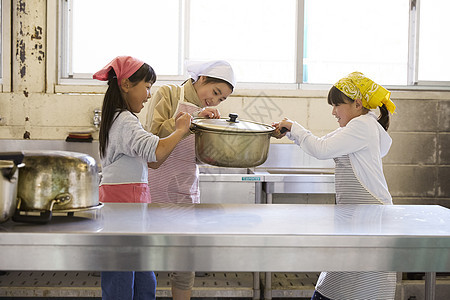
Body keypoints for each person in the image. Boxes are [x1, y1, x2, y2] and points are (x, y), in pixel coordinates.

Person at [273, 71, 397, 300]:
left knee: (359, 290)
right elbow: (320, 144)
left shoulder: (363, 125)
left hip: (369, 220)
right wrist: (291, 131)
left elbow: (321, 149)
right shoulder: (357, 126)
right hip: (359, 220)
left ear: (357, 104)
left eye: (337, 105)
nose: (333, 112)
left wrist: (295, 126)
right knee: (341, 287)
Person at [94, 56, 192, 300]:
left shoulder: (120, 119)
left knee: (143, 281)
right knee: (121, 282)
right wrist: (180, 129)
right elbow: (156, 150)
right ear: (126, 84)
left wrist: (186, 130)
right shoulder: (124, 120)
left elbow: (154, 160)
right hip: (122, 213)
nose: (149, 95)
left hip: (131, 213)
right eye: (147, 87)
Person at [144, 60, 235, 300]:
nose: (215, 101)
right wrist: (194, 117)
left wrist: (220, 140)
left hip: (184, 187)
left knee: (185, 260)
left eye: (222, 99)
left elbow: (202, 156)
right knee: (145, 258)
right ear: (202, 79)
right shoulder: (169, 94)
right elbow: (153, 133)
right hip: (154, 184)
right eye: (215, 93)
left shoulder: (211, 115)